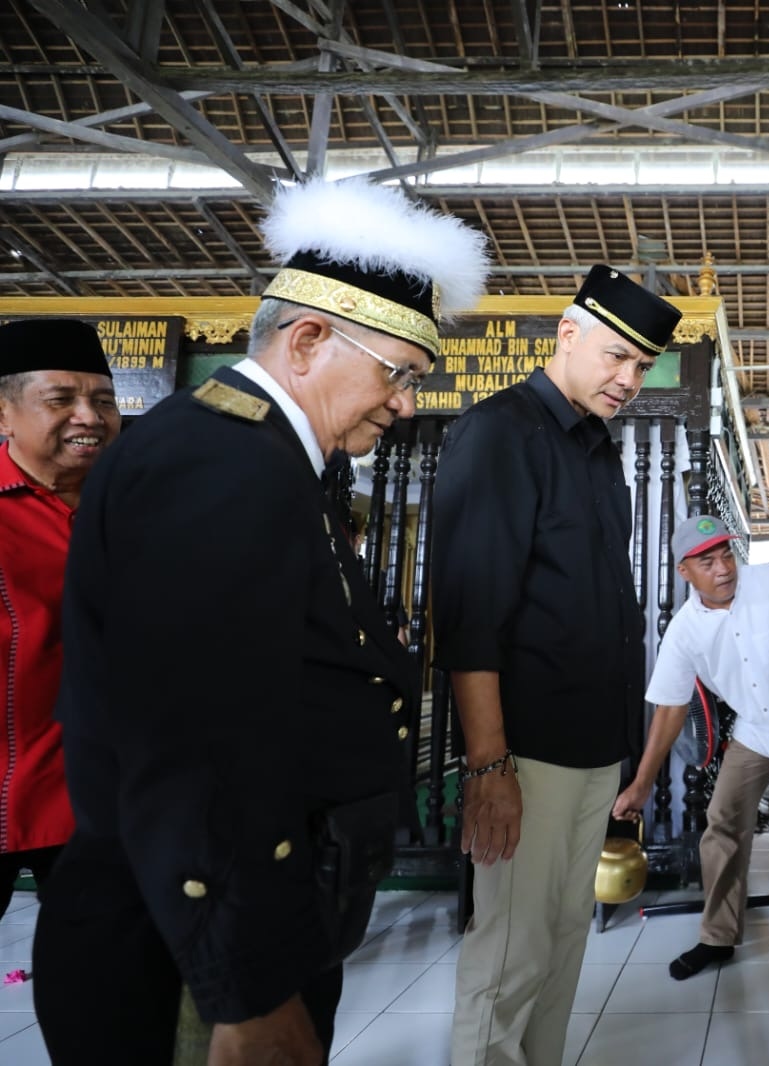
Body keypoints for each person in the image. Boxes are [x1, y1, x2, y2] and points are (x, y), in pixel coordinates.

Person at [33, 177, 489, 1066]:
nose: (405, 404)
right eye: (399, 374)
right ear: (309, 339)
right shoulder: (223, 465)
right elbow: (196, 741)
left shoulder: (268, 458)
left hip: (242, 917)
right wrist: (251, 989)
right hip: (192, 949)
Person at [432, 264, 682, 1066]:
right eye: (616, 357)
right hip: (526, 751)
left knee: (566, 942)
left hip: (592, 751)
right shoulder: (501, 432)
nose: (629, 380)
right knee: (510, 955)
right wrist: (489, 763)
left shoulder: (596, 452)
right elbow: (472, 620)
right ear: (566, 334)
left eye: (642, 367)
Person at [611, 515, 769, 980]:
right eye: (708, 561)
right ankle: (718, 936)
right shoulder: (684, 632)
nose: (724, 567)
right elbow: (668, 709)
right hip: (757, 731)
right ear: (685, 572)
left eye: (727, 554)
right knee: (721, 825)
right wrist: (642, 784)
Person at [0, 318, 121, 919]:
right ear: (4, 414)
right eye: (61, 399)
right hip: (6, 784)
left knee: (104, 988)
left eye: (103, 400)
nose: (89, 416)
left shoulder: (140, 508)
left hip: (101, 802)